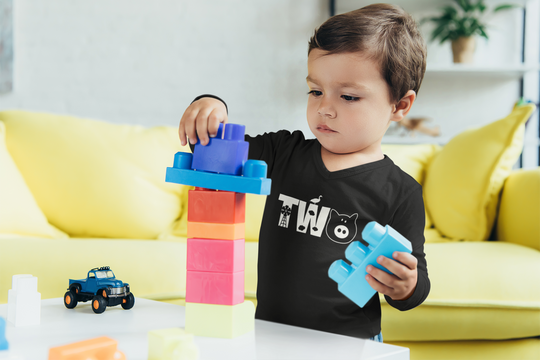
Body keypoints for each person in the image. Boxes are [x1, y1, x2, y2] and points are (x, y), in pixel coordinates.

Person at [178, 3, 430, 341]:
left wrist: (406, 286)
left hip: (350, 343)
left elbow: (415, 287)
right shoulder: (284, 152)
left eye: (349, 97)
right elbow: (213, 153)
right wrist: (209, 106)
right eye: (315, 91)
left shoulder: (402, 192)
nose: (325, 108)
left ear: (400, 105)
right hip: (270, 335)